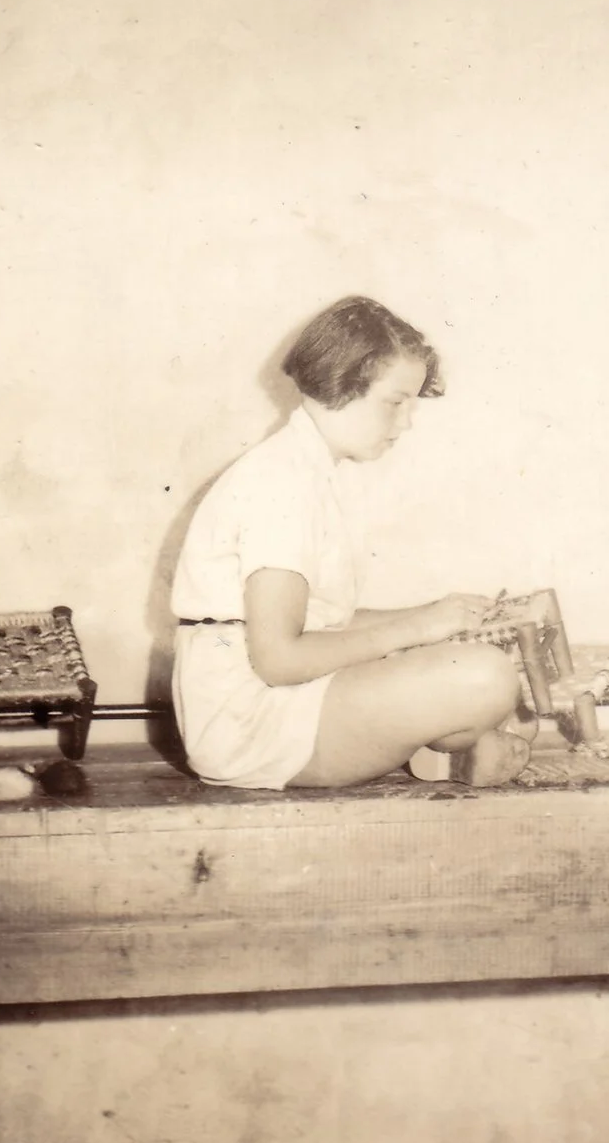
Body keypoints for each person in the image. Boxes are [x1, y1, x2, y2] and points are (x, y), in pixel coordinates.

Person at [170, 295, 529, 789]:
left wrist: (437, 617)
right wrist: (420, 628)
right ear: (341, 384)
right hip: (248, 722)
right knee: (487, 675)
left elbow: (324, 625)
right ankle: (451, 746)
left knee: (482, 673)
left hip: (274, 698)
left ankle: (450, 753)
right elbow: (279, 660)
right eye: (396, 402)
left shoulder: (306, 470)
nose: (406, 422)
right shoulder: (281, 483)